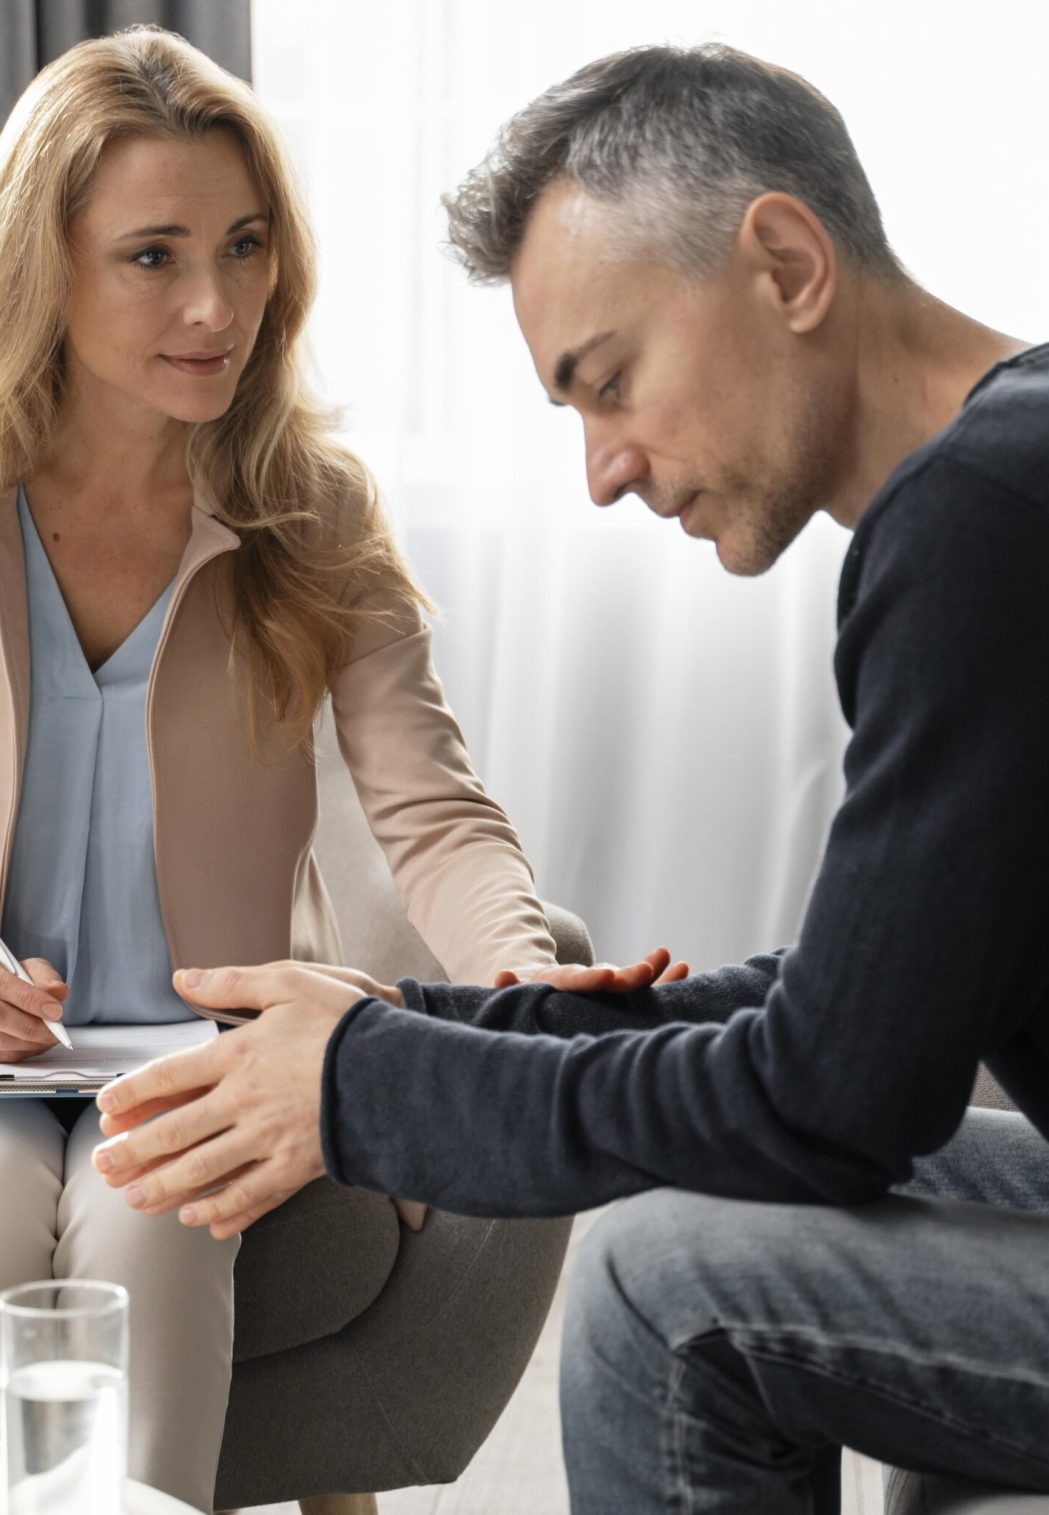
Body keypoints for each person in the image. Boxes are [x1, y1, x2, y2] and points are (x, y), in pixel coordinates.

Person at [91, 42, 1049, 1513]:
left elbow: (837, 1095)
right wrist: (428, 1020)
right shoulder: (1006, 472)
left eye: (609, 383)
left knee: (662, 1285)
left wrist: (369, 1083)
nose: (600, 470)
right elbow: (868, 1005)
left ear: (785, 262)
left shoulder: (979, 526)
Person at [0, 24, 590, 1515]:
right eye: (152, 255)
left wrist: (520, 987)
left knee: (152, 1240)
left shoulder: (305, 509)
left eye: (246, 245)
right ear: (42, 264)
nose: (216, 305)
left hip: (209, 1061)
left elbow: (429, 801)